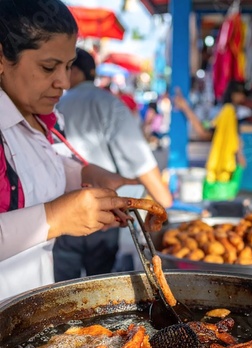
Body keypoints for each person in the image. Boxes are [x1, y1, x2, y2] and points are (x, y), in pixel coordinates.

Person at [0, 0, 144, 302]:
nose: (64, 82)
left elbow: (33, 168)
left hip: (26, 309)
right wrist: (55, 218)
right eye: (48, 67)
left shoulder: (35, 117)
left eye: (67, 66)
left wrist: (83, 173)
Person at [53, 48, 172, 281]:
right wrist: (164, 200)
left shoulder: (56, 105)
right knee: (101, 283)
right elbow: (138, 159)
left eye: (63, 67)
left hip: (63, 207)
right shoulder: (107, 102)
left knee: (65, 285)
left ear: (75, 71)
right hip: (102, 211)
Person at [173, 80, 248, 183]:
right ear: (233, 94)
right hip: (218, 159)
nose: (243, 97)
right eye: (241, 93)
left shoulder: (226, 110)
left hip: (215, 159)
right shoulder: (228, 111)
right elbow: (208, 133)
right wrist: (239, 153)